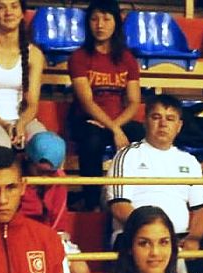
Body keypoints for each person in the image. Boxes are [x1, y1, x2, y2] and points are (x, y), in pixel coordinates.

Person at [104, 95, 203, 258]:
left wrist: (194, 238)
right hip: (136, 237)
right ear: (145, 121)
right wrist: (157, 235)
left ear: (179, 126)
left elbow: (202, 209)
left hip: (179, 240)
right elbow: (119, 206)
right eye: (156, 117)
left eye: (170, 119)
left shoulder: (190, 161)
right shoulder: (127, 155)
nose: (163, 124)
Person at [68, 0, 145, 211]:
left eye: (106, 19)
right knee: (92, 141)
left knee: (141, 136)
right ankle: (92, 203)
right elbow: (86, 101)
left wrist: (115, 127)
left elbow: (134, 101)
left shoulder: (127, 59)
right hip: (89, 119)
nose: (100, 25)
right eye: (94, 19)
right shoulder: (79, 57)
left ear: (116, 22)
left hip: (118, 120)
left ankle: (135, 199)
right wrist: (114, 129)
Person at [22, 131, 91, 273]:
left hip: (51, 237)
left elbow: (58, 223)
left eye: (50, 172)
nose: (45, 178)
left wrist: (51, 241)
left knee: (81, 272)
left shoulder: (59, 179)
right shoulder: (14, 180)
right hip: (20, 240)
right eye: (40, 171)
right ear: (27, 160)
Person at [0, 0, 48, 149]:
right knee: (1, 142)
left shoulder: (35, 54)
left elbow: (32, 104)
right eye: (1, 7)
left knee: (46, 145)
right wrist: (5, 125)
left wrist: (21, 124)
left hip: (23, 120)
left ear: (22, 13)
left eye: (14, 6)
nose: (8, 12)